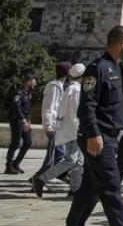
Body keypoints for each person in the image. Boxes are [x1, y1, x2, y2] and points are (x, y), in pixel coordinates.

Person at [62, 25, 123, 226]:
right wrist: (93, 133)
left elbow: (121, 103)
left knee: (90, 188)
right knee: (111, 186)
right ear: (122, 43)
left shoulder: (118, 69)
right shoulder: (96, 68)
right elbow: (87, 105)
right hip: (98, 137)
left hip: (109, 136)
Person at [35, 63, 86, 198]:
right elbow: (75, 113)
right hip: (73, 129)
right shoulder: (75, 90)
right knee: (71, 160)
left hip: (73, 129)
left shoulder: (72, 89)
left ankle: (75, 189)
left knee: (79, 161)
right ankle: (41, 178)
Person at [31, 62, 71, 185]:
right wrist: (49, 125)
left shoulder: (59, 86)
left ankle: (45, 177)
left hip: (58, 126)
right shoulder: (54, 87)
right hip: (53, 127)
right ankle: (38, 179)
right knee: (54, 157)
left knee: (59, 154)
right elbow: (50, 107)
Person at [4, 76, 36, 174]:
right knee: (15, 143)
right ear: (28, 82)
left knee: (28, 142)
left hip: (24, 120)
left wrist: (28, 120)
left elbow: (26, 109)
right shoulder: (19, 93)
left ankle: (16, 163)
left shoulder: (28, 94)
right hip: (17, 120)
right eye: (33, 82)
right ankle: (9, 166)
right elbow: (16, 108)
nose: (35, 84)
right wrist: (23, 120)